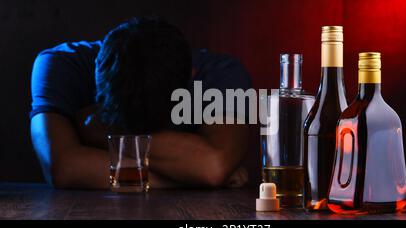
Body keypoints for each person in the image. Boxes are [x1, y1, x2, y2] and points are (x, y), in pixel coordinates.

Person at [30, 16, 251, 189]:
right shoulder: (59, 65)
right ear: (97, 69)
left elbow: (213, 165)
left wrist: (101, 134)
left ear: (190, 78)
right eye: (120, 127)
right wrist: (192, 179)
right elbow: (64, 168)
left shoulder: (222, 74)